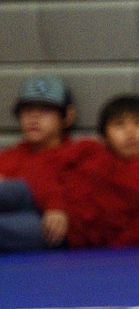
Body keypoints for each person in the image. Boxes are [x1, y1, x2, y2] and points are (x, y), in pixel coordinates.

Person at [62, 94, 139, 248]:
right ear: (105, 137)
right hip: (54, 216)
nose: (130, 132)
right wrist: (54, 206)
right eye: (119, 125)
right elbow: (48, 170)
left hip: (96, 249)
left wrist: (113, 255)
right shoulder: (88, 151)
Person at [0, 75, 98, 251]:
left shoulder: (80, 154)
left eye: (45, 109)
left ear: (67, 116)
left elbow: (82, 204)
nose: (34, 116)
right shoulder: (9, 157)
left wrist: (56, 205)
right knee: (16, 188)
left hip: (57, 228)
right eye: (27, 109)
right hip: (23, 214)